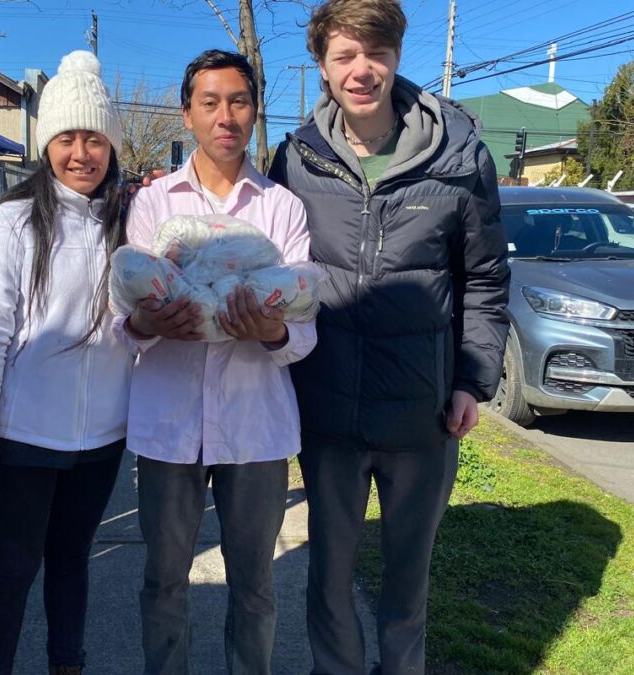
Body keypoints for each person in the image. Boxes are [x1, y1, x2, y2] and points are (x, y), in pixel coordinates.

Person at [267, 1, 511, 673]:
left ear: (397, 57)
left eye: (375, 53)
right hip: (329, 416)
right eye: (345, 56)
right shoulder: (295, 160)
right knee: (330, 581)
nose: (361, 70)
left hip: (421, 419)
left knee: (407, 588)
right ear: (322, 65)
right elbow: (270, 272)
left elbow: (486, 279)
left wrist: (471, 380)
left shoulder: (459, 156)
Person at [115, 49, 316, 675]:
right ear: (187, 115)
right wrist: (146, 324)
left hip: (255, 431)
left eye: (238, 101)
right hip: (167, 427)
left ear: (254, 112)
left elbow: (306, 329)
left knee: (254, 585)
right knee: (163, 579)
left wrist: (273, 329)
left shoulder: (282, 209)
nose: (224, 116)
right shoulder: (153, 205)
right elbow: (125, 316)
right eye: (210, 102)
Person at [0, 50, 130, 675]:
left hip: (102, 440)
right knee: (12, 568)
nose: (82, 154)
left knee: (74, 560)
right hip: (21, 437)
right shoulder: (14, 222)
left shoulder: (127, 224)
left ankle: (66, 665)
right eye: (66, 139)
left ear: (111, 145)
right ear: (46, 144)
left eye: (95, 139)